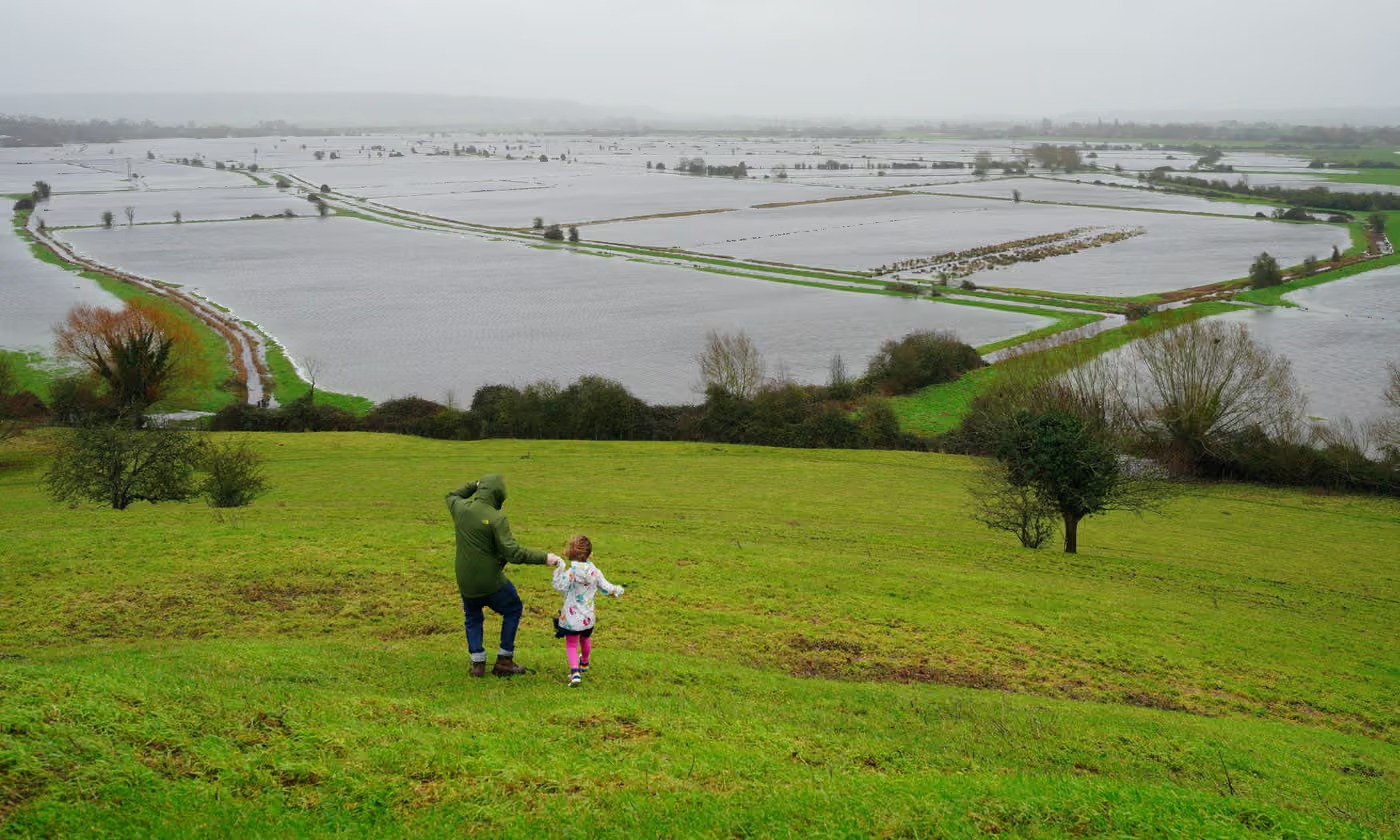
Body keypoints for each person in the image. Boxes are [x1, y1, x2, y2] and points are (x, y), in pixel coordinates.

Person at [446, 474, 563, 678]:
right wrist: (544, 557)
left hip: (465, 580)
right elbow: (513, 553)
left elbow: (451, 495)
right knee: (513, 607)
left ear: (481, 490)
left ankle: (477, 663)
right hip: (491, 580)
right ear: (498, 495)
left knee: (472, 616)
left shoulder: (460, 508)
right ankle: (504, 660)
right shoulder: (496, 518)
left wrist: (474, 485)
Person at [551, 534, 624, 687]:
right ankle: (584, 662)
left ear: (570, 554)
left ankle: (574, 672)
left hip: (571, 619)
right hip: (588, 618)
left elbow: (559, 585)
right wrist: (617, 590)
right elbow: (607, 587)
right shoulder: (595, 572)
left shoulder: (571, 572)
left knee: (571, 644)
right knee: (585, 639)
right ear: (590, 554)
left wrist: (559, 567)